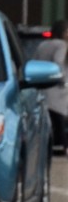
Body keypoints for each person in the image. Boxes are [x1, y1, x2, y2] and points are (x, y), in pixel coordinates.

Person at [34, 20, 68, 152]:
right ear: (62, 33)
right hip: (57, 89)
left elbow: (35, 61)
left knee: (50, 121)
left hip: (41, 88)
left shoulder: (43, 44)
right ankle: (62, 146)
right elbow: (58, 63)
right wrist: (63, 81)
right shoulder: (61, 45)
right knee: (59, 120)